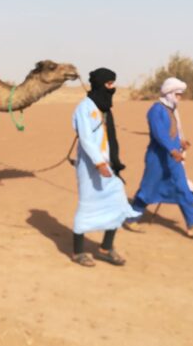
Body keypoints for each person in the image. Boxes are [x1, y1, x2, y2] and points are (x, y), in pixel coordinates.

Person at [70, 68, 141, 267]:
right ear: (101, 85)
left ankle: (106, 247)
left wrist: (109, 162)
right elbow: (85, 138)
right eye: (109, 84)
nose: (113, 87)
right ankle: (77, 251)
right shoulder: (85, 107)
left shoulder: (104, 108)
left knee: (117, 202)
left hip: (108, 165)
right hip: (90, 166)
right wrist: (98, 162)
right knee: (87, 205)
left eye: (113, 83)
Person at [125, 77, 193, 239]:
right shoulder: (156, 110)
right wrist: (172, 149)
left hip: (173, 159)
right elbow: (159, 134)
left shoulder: (172, 111)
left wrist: (181, 142)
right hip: (157, 158)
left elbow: (172, 132)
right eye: (178, 94)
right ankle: (131, 219)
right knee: (147, 189)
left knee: (183, 188)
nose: (180, 97)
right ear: (169, 93)